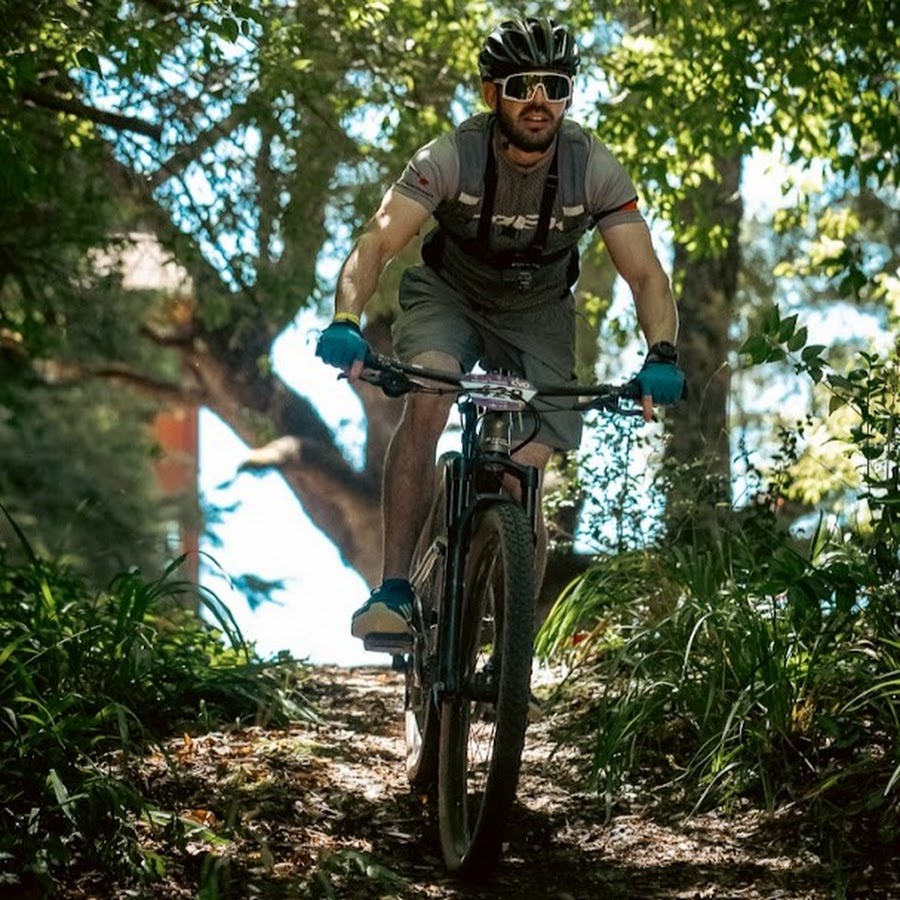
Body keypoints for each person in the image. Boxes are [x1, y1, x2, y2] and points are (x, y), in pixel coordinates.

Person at [316, 15, 684, 642]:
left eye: (554, 87)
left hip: (538, 311)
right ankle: (394, 590)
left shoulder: (593, 167)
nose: (538, 102)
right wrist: (346, 319)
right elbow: (376, 241)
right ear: (492, 94)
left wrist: (662, 353)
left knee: (525, 473)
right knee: (431, 393)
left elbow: (646, 274)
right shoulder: (450, 156)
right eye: (520, 87)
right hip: (449, 296)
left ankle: (513, 648)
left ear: (568, 96)